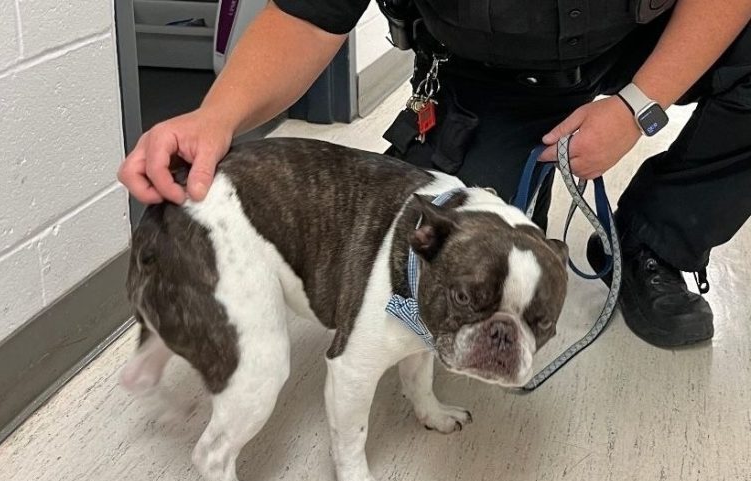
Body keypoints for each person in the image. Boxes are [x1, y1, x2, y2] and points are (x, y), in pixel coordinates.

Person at [118, 0, 751, 348]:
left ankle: (652, 243)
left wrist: (638, 104)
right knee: (415, 290)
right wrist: (217, 116)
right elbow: (310, 14)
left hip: (641, 47)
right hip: (487, 77)